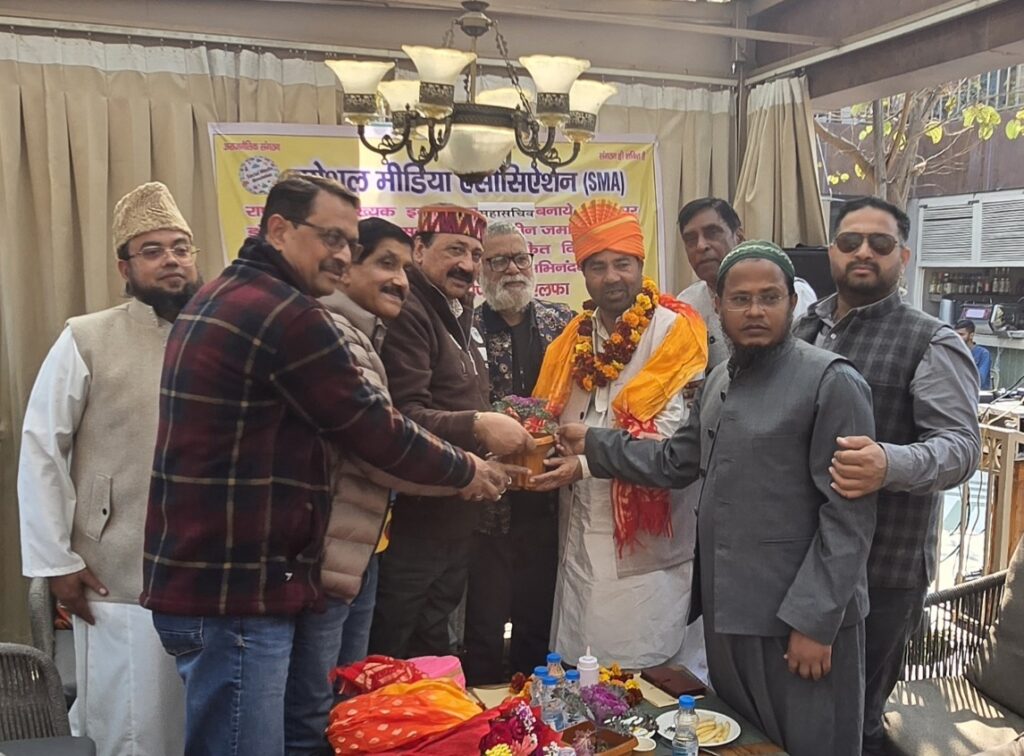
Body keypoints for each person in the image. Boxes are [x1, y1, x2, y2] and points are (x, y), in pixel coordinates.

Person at [141, 174, 507, 756]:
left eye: (349, 242)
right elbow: (372, 430)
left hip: (224, 579)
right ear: (279, 229)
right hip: (239, 587)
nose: (341, 255)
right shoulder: (284, 314)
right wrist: (470, 470)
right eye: (332, 238)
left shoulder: (229, 293)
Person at [561, 241, 878, 756]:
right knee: (741, 744)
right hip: (729, 617)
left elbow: (849, 516)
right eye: (740, 299)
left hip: (798, 624)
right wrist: (593, 443)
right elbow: (674, 462)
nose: (755, 311)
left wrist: (815, 623)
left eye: (769, 298)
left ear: (792, 303)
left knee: (812, 744)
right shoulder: (720, 380)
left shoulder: (832, 381)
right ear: (718, 304)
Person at [792, 196, 981, 756]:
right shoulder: (804, 327)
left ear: (904, 255)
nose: (863, 253)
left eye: (880, 243)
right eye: (850, 242)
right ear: (832, 251)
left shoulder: (931, 340)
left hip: (883, 572)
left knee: (854, 721)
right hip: (799, 560)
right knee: (798, 715)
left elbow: (962, 447)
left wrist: (888, 463)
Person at [18, 182, 201, 756]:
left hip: (211, 570)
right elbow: (42, 448)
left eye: (181, 248)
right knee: (131, 725)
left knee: (203, 723)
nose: (171, 260)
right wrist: (56, 562)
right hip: (118, 569)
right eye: (152, 250)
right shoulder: (87, 338)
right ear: (126, 267)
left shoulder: (221, 336)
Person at [530, 199, 708, 669]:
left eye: (622, 264)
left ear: (641, 265)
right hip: (578, 522)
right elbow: (551, 413)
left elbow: (670, 439)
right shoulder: (573, 338)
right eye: (598, 266)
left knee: (645, 666)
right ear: (583, 274)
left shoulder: (675, 331)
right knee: (579, 659)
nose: (611, 277)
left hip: (646, 535)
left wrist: (584, 460)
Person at [371, 204, 534, 660]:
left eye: (475, 254)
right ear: (419, 250)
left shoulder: (456, 311)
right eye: (454, 250)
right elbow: (402, 418)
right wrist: (479, 425)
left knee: (432, 651)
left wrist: (492, 458)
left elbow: (455, 400)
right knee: (392, 656)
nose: (467, 264)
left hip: (454, 518)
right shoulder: (410, 310)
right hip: (414, 525)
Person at [462, 220, 573, 684]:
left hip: (549, 495)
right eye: (499, 260)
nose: (512, 269)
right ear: (481, 270)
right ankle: (486, 699)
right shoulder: (465, 327)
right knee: (484, 616)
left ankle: (536, 704)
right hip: (486, 499)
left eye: (520, 258)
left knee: (540, 612)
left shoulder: (563, 324)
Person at [676, 197, 817, 369]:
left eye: (712, 233)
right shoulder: (687, 305)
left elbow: (806, 366)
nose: (701, 246)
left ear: (739, 237)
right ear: (717, 305)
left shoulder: (792, 292)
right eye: (691, 239)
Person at [955, 318, 993, 390]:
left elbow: (980, 380)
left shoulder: (983, 354)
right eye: (956, 335)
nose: (958, 337)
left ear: (971, 335)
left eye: (961, 334)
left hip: (978, 393)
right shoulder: (954, 352)